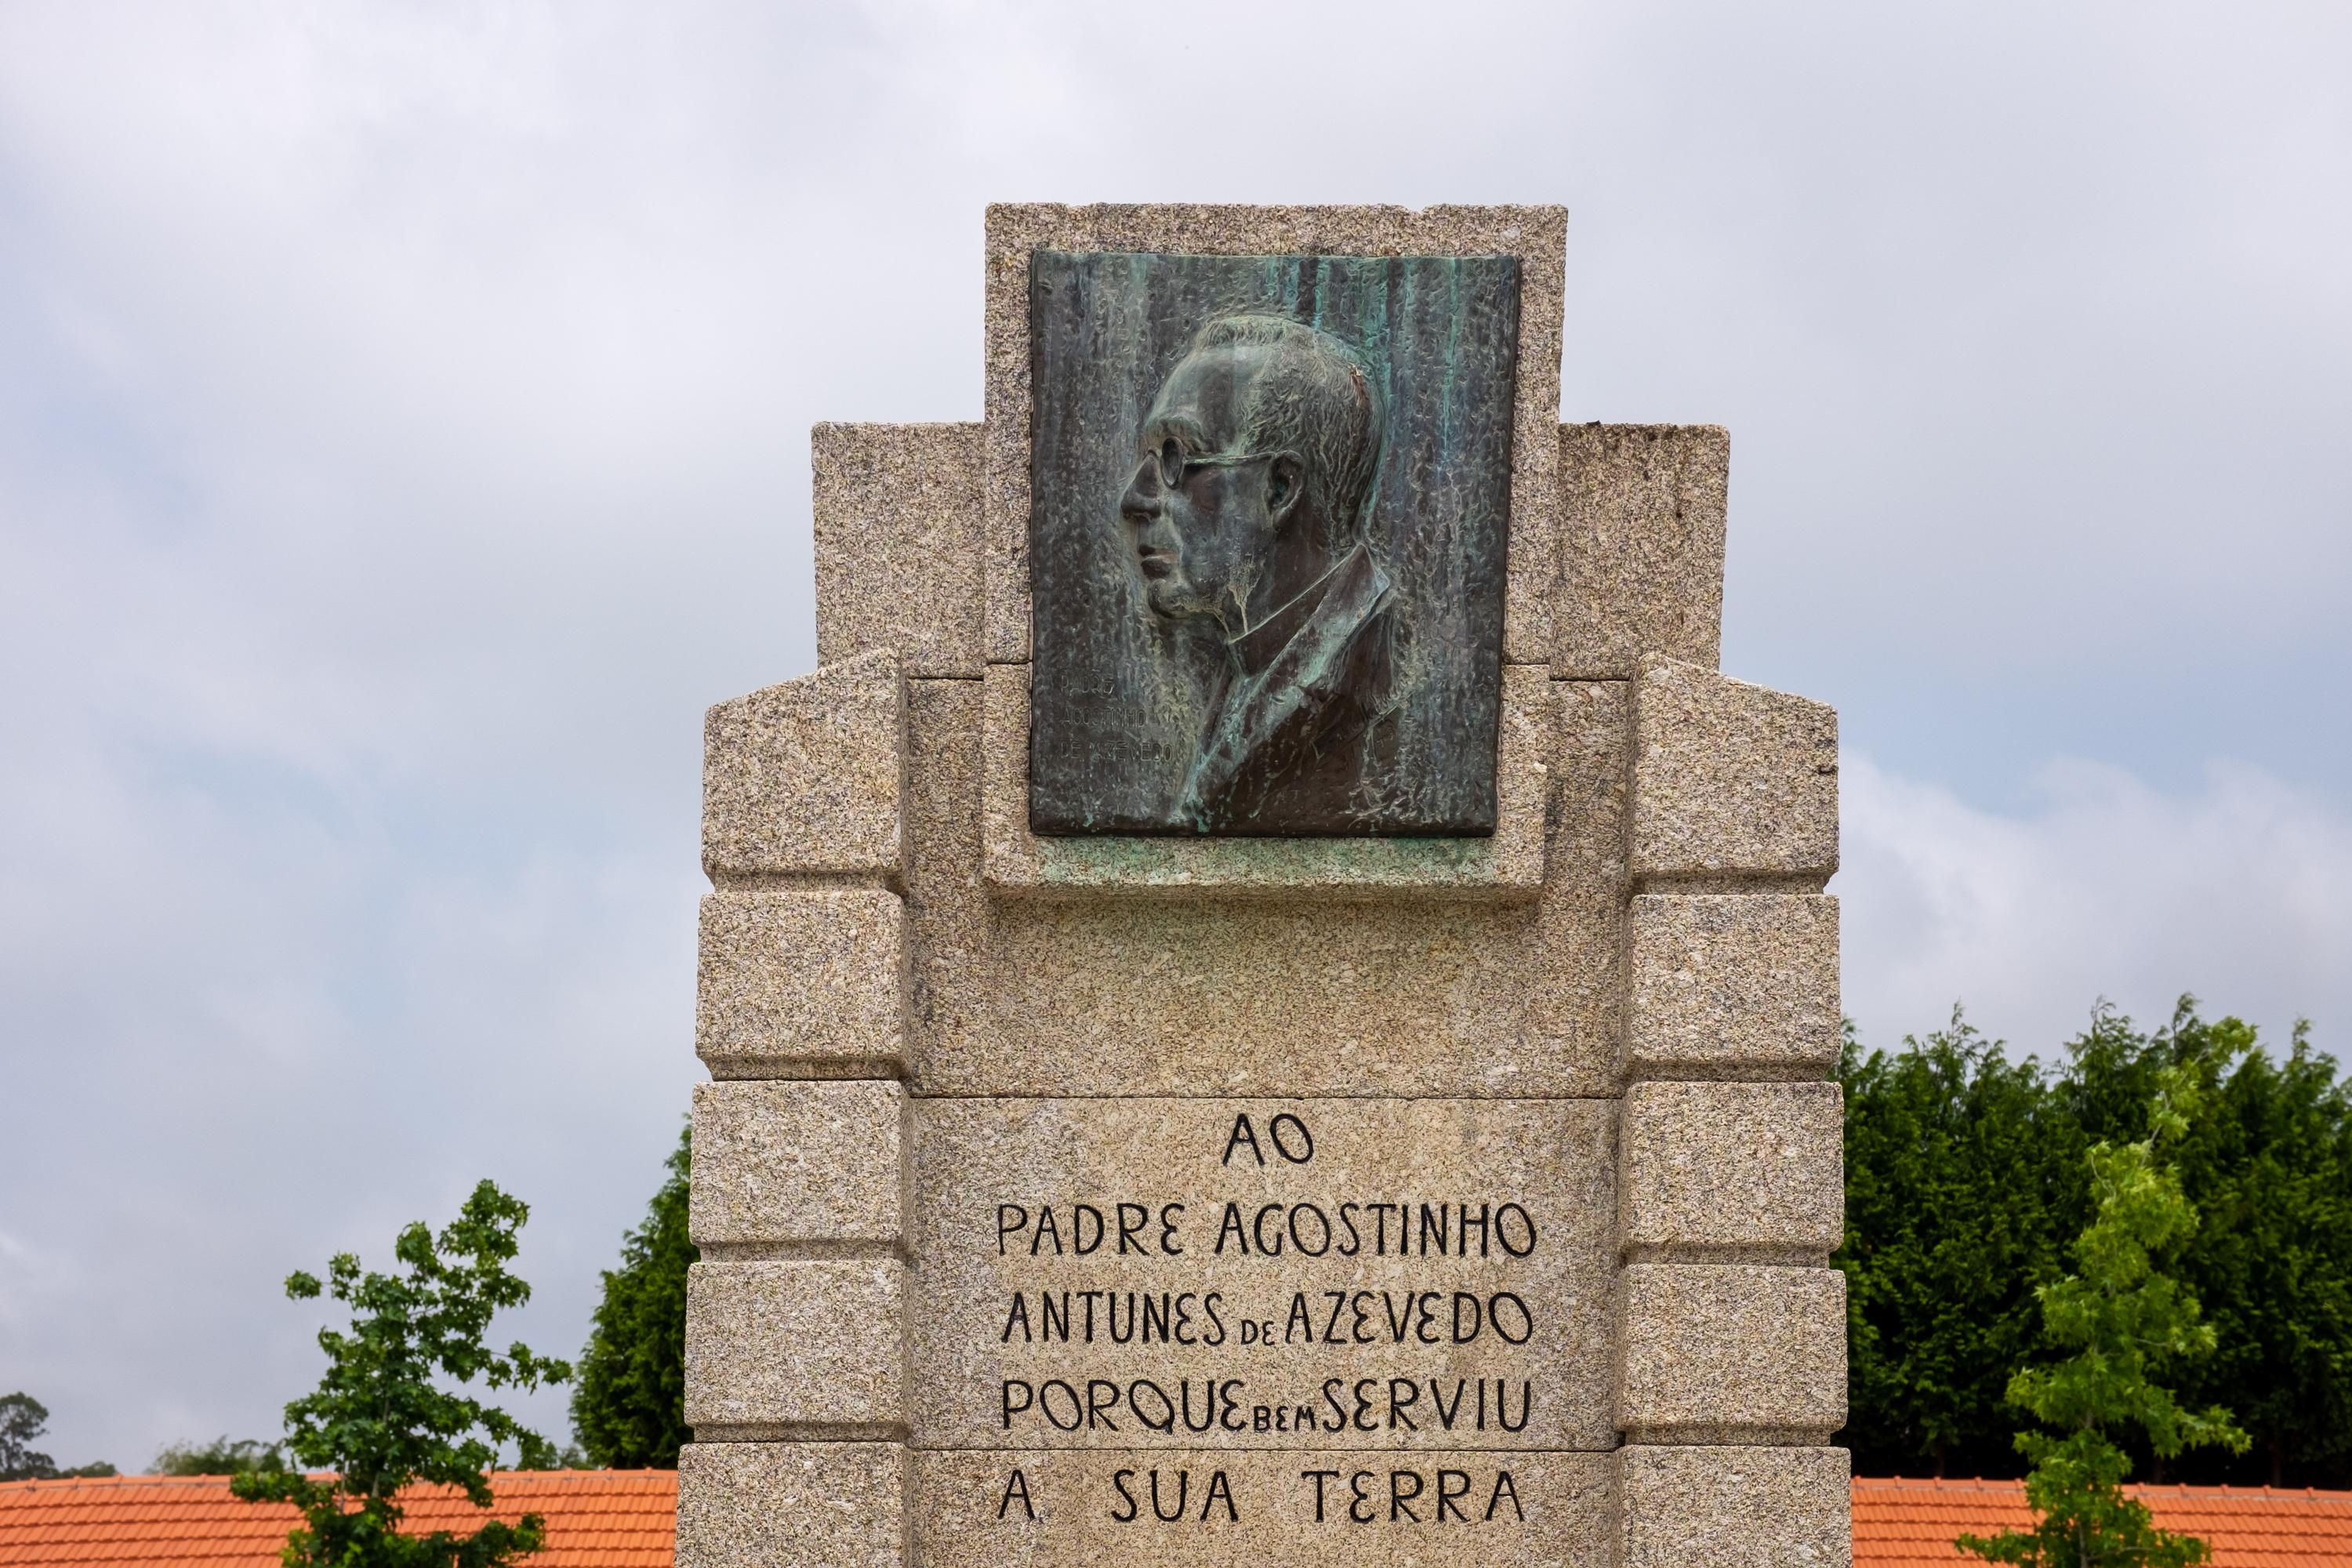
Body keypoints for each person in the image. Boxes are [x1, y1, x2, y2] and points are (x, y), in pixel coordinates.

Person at [1117, 314, 1399, 832]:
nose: (1135, 498)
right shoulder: (1247, 664)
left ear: (1280, 490)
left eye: (1176, 457)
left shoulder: (1366, 679)